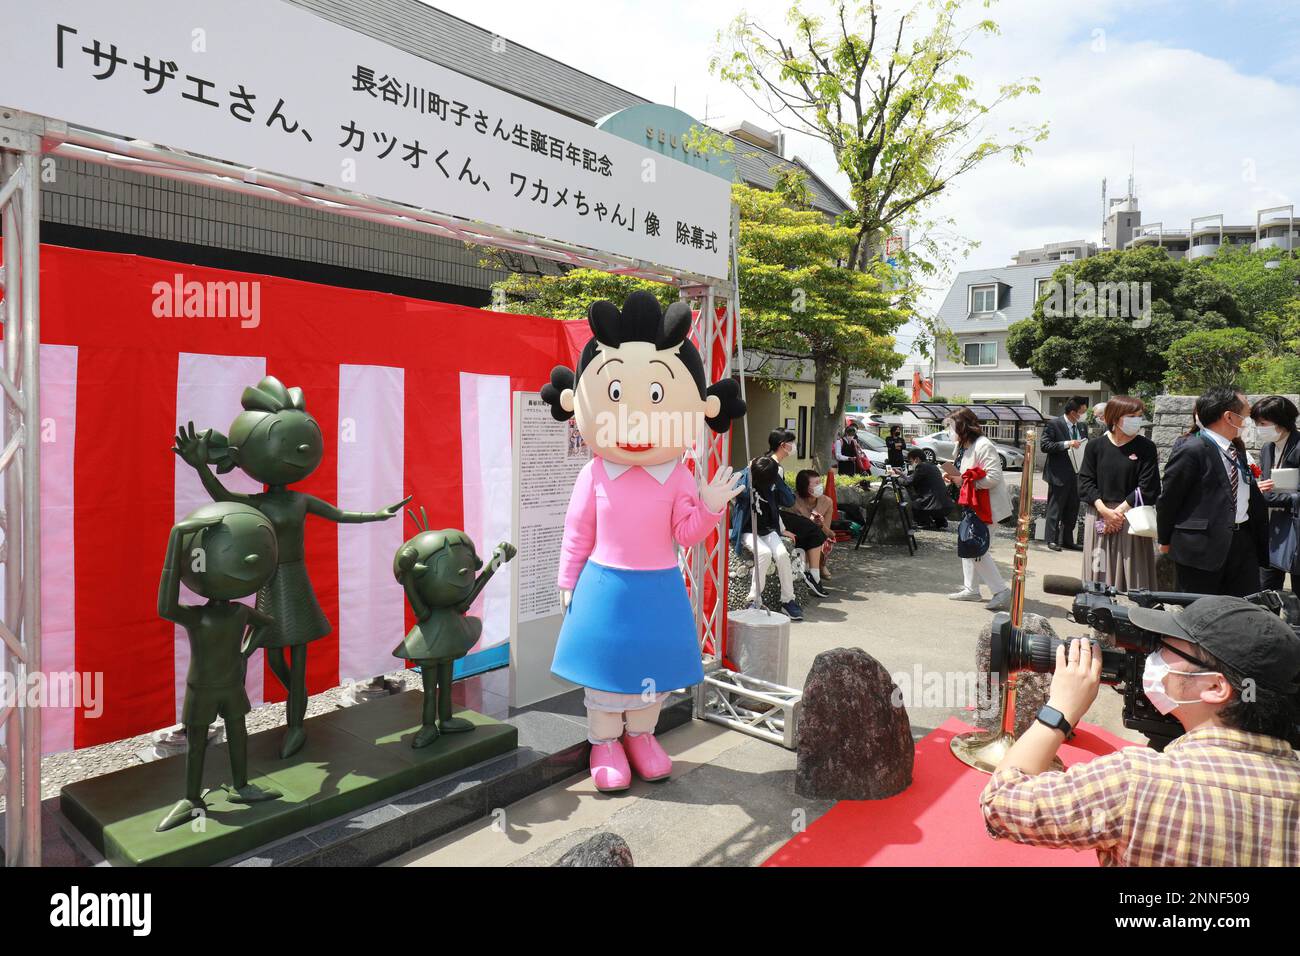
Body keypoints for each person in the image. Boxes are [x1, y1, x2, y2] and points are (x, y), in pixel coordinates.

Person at [542, 291, 747, 792]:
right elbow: (577, 532)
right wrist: (568, 579)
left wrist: (712, 505)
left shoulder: (677, 476)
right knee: (607, 671)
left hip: (658, 587)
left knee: (650, 670)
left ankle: (642, 735)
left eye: (656, 397)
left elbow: (686, 534)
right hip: (604, 588)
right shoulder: (594, 473)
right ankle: (606, 741)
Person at [981, 595, 1300, 866]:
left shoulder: (1137, 781)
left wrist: (1060, 709)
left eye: (1168, 647)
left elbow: (1001, 804)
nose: (1154, 656)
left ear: (1215, 686)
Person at [1156, 386, 1268, 597]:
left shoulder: (1236, 450)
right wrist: (1165, 540)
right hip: (1201, 548)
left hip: (1241, 542)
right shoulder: (1193, 449)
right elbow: (1169, 499)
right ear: (1229, 416)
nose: (1247, 421)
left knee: (1241, 610)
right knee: (1201, 613)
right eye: (1245, 415)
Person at [1077, 396, 1161, 590]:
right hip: (1099, 514)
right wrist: (1104, 510)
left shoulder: (1146, 447)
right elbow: (1085, 481)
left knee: (1132, 567)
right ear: (1114, 418)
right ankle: (1097, 609)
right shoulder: (1095, 446)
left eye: (1139, 416)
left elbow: (1149, 486)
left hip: (1131, 517)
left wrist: (1118, 512)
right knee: (1099, 563)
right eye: (1131, 415)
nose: (1137, 420)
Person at [944, 407, 1012, 610]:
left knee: (975, 547)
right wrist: (955, 478)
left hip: (986, 506)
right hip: (972, 504)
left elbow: (992, 478)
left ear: (963, 426)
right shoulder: (963, 445)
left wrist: (962, 481)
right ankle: (971, 589)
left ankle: (1001, 590)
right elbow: (964, 474)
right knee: (968, 543)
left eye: (951, 426)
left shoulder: (983, 445)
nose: (949, 431)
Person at [731, 455, 803, 620]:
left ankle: (788, 600)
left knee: (783, 555)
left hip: (768, 529)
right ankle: (754, 599)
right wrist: (748, 472)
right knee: (763, 553)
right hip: (747, 529)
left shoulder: (772, 481)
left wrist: (777, 477)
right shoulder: (743, 478)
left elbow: (789, 500)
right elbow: (738, 491)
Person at [1252, 395, 1300, 596]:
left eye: (1263, 423)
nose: (1259, 428)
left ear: (1281, 421)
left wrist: (1275, 497)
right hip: (1270, 530)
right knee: (1266, 592)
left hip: (1295, 530)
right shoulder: (1267, 448)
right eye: (1257, 423)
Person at [1041, 396, 1089, 551]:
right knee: (1055, 508)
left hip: (1077, 473)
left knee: (1072, 508)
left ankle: (1067, 540)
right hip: (1058, 473)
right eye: (1082, 412)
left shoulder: (1082, 426)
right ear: (1073, 412)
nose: (1084, 415)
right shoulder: (1054, 424)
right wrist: (1067, 444)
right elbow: (1045, 445)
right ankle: (1051, 539)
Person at [791, 468, 836, 584]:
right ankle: (809, 570)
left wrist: (821, 525)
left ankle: (820, 565)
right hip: (799, 538)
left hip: (818, 538)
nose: (820, 486)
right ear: (805, 487)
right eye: (816, 483)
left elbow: (829, 533)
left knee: (825, 539)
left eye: (820, 482)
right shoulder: (792, 501)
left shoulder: (827, 502)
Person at [896, 448, 951, 530]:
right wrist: (901, 474)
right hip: (945, 503)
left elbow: (908, 482)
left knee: (915, 501)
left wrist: (897, 479)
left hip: (933, 504)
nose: (911, 464)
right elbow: (912, 479)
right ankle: (941, 522)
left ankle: (923, 522)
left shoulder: (921, 467)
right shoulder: (931, 466)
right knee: (928, 497)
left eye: (911, 461)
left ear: (917, 459)